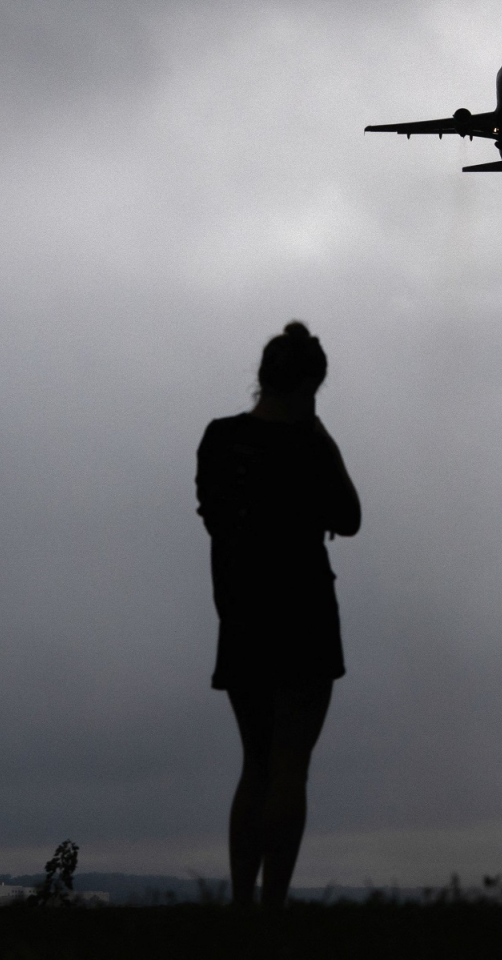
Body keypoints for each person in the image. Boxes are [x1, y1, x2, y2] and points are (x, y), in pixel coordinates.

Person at [195, 321, 361, 908]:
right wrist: (317, 431)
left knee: (256, 765)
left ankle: (242, 905)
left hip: (240, 615)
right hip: (305, 614)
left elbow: (213, 516)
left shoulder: (218, 440)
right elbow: (350, 516)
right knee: (291, 766)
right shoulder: (308, 444)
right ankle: (273, 909)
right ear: (308, 384)